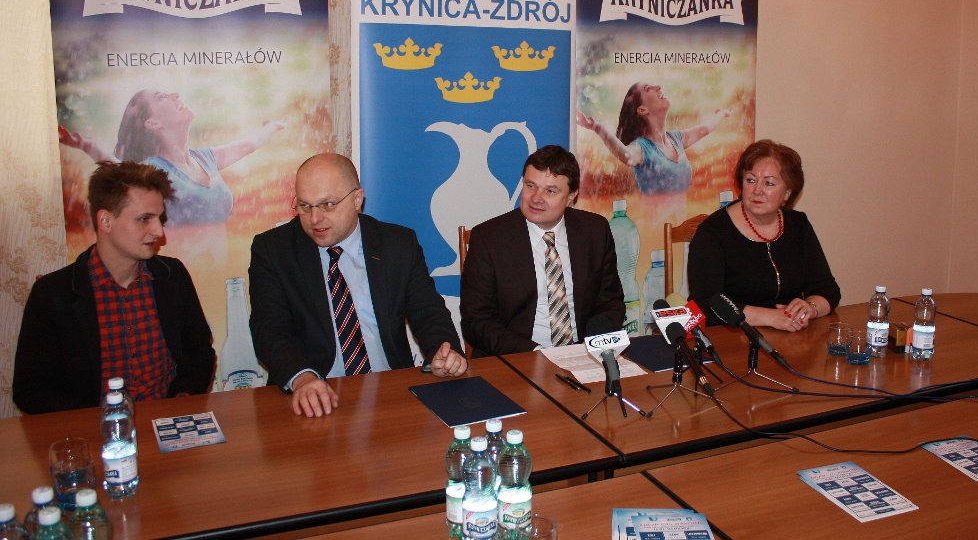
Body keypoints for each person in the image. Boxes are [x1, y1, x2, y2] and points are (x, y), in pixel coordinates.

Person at [248, 153, 467, 417]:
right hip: (314, 395)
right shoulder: (273, 250)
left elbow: (429, 312)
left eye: (327, 205)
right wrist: (303, 378)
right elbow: (270, 329)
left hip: (390, 390)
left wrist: (445, 352)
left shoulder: (397, 244)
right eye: (305, 206)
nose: (314, 218)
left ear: (357, 200)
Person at [13, 162, 216, 414]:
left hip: (168, 421)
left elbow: (199, 352)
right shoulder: (52, 293)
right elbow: (30, 389)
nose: (158, 231)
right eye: (145, 219)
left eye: (160, 219)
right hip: (94, 431)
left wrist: (180, 402)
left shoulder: (173, 276)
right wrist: (98, 422)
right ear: (105, 220)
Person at [461, 145, 625, 356]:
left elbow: (611, 302)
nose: (536, 198)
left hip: (583, 355)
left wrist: (593, 344)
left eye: (550, 191)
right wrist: (537, 354)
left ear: (571, 196)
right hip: (518, 355)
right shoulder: (489, 238)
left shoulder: (595, 230)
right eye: (531, 186)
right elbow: (476, 321)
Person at [58, 89, 288, 226]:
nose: (175, 95)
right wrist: (89, 146)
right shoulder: (155, 170)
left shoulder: (206, 158)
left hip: (219, 275)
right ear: (152, 123)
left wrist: (272, 127)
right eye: (162, 97)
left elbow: (247, 146)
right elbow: (120, 172)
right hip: (184, 273)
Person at [687, 139, 841, 331]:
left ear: (787, 193)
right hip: (734, 336)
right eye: (751, 180)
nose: (757, 191)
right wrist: (771, 317)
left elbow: (827, 289)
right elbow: (705, 303)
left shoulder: (799, 225)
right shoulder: (713, 232)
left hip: (792, 335)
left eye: (769, 183)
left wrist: (810, 307)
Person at [576, 82, 732, 195]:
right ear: (642, 110)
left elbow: (704, 129)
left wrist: (722, 114)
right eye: (649, 88)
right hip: (652, 227)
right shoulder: (642, 148)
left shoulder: (676, 139)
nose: (658, 87)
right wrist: (599, 129)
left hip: (679, 225)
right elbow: (626, 155)